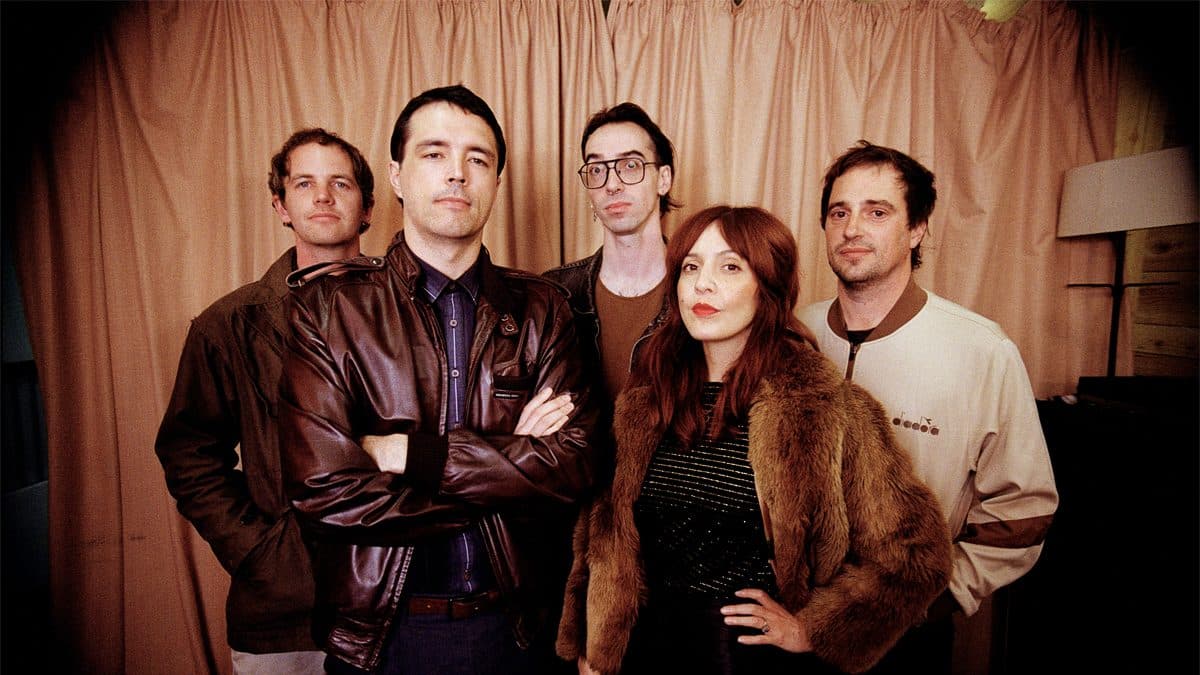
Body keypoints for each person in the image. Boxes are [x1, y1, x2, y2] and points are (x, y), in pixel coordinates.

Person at [278, 84, 599, 675]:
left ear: (496, 181)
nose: (457, 173)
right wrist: (508, 469)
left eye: (477, 158)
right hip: (381, 640)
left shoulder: (543, 308)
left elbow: (575, 465)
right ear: (396, 176)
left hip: (518, 633)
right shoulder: (326, 310)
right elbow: (323, 492)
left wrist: (409, 456)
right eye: (434, 153)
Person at [557, 205, 953, 675]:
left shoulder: (825, 409)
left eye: (729, 267)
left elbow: (917, 556)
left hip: (744, 657)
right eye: (690, 267)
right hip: (642, 649)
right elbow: (601, 537)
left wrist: (813, 630)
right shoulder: (644, 402)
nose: (703, 284)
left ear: (768, 287)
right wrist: (593, 644)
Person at [798, 141, 1059, 674]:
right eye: (839, 213)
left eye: (877, 212)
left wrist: (926, 601)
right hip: (790, 621)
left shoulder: (982, 350)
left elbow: (1024, 513)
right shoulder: (793, 333)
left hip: (903, 638)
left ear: (917, 229)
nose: (852, 228)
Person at [155, 127, 375, 674]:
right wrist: (262, 551)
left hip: (401, 604)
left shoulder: (415, 310)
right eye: (304, 183)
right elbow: (188, 453)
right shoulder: (229, 325)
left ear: (368, 208)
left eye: (340, 183)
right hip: (285, 617)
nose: (322, 196)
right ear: (280, 205)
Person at [543, 102, 680, 401]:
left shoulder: (697, 288)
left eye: (630, 165)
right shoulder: (554, 292)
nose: (612, 184)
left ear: (663, 179)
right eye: (597, 170)